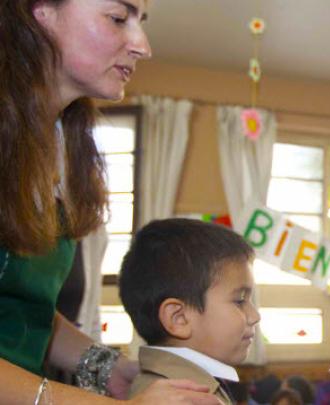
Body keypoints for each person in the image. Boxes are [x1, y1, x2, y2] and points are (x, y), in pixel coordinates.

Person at [0, 1, 219, 404]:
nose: (143, 46)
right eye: (118, 18)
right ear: (40, 11)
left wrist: (109, 368)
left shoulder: (60, 142)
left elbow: (21, 310)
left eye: (141, 22)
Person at [119, 218, 261, 405]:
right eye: (240, 301)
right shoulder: (184, 398)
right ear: (179, 318)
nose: (255, 316)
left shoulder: (182, 386)